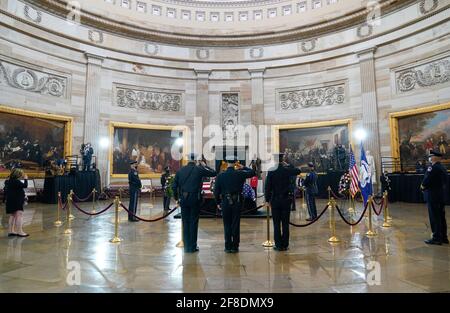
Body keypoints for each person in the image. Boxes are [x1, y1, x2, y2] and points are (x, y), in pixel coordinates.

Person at [172, 153, 217, 253]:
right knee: (193, 222)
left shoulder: (180, 170)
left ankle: (186, 246)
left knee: (185, 222)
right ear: (196, 160)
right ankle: (192, 246)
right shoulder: (199, 169)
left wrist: (176, 198)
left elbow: (174, 186)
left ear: (187, 160)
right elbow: (214, 173)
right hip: (195, 198)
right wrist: (204, 165)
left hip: (183, 198)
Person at [214, 156, 255, 253]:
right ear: (236, 162)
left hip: (225, 202)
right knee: (235, 223)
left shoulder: (220, 175)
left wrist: (218, 203)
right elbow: (253, 172)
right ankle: (235, 246)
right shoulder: (240, 173)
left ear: (226, 162)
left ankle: (228, 246)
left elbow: (216, 191)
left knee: (226, 224)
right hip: (237, 201)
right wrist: (243, 167)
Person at [265, 153, 301, 251]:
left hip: (275, 200)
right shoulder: (287, 170)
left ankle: (278, 245)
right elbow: (298, 170)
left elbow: (267, 187)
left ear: (274, 160)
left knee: (276, 224)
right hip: (286, 200)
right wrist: (287, 164)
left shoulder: (271, 171)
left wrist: (267, 200)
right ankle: (285, 244)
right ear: (282, 159)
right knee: (285, 224)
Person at [420, 151, 449, 245]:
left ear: (434, 157)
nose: (429, 158)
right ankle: (444, 237)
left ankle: (436, 238)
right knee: (441, 217)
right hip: (441, 195)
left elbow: (427, 180)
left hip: (433, 196)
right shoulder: (442, 167)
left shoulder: (432, 167)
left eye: (430, 156)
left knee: (434, 217)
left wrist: (422, 186)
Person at [4, 168, 29, 237]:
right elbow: (25, 186)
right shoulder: (16, 181)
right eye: (21, 174)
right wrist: (26, 179)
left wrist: (24, 195)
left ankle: (11, 231)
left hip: (11, 200)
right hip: (16, 200)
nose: (22, 175)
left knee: (12, 215)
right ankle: (20, 232)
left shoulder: (9, 181)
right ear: (18, 174)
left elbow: (17, 190)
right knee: (19, 215)